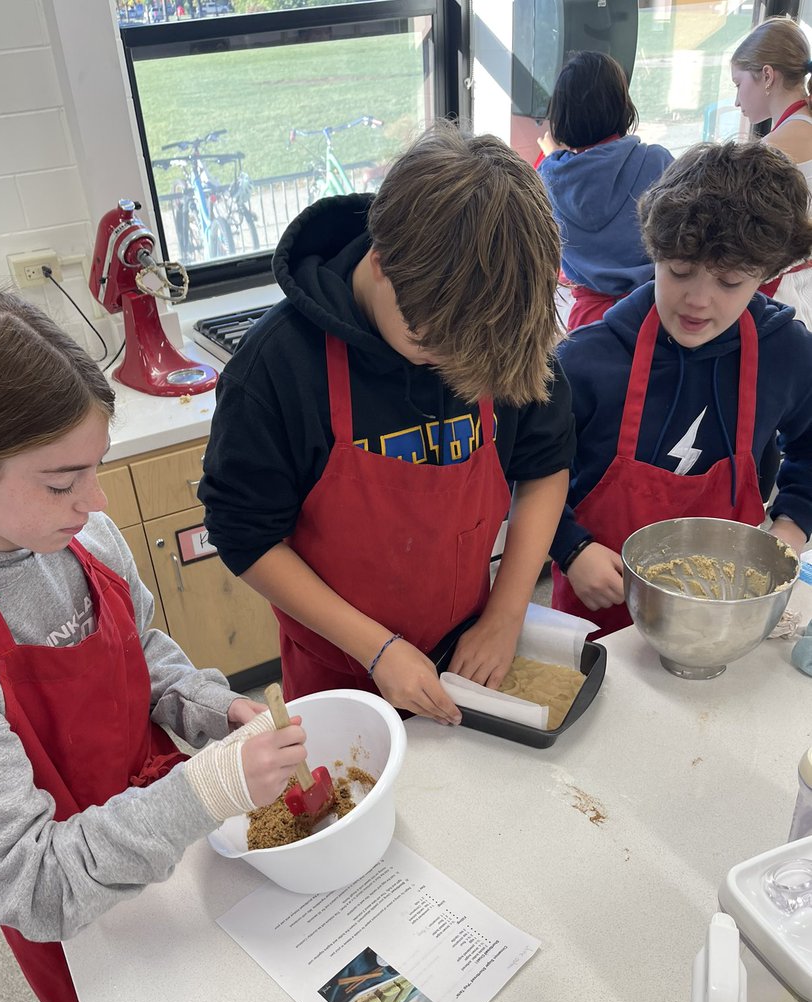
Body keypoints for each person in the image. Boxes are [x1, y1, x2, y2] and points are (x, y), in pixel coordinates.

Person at [0, 291, 308, 1002]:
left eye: (94, 471)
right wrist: (209, 788)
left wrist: (212, 709)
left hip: (166, 840)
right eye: (62, 483)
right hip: (78, 918)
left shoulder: (81, 534)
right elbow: (30, 880)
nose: (94, 504)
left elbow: (146, 654)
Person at [200, 121, 575, 721]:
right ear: (381, 263)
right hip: (338, 671)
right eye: (433, 347)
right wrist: (377, 650)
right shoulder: (278, 367)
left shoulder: (501, 331)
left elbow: (543, 466)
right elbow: (244, 535)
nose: (457, 370)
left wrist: (506, 616)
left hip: (469, 650)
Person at [549, 140, 812, 637]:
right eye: (680, 272)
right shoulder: (586, 360)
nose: (698, 301)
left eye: (730, 282)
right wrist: (570, 547)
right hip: (599, 609)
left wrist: (790, 530)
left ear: (767, 276)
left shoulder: (787, 354)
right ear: (653, 253)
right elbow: (528, 469)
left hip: (726, 606)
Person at [536, 51, 673, 330]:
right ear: (623, 105)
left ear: (560, 114)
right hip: (653, 311)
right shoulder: (658, 162)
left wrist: (552, 159)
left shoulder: (547, 177)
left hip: (586, 320)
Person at [732, 16, 812, 327]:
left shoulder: (764, 155)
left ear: (767, 76)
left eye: (739, 84)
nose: (737, 100)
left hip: (777, 300)